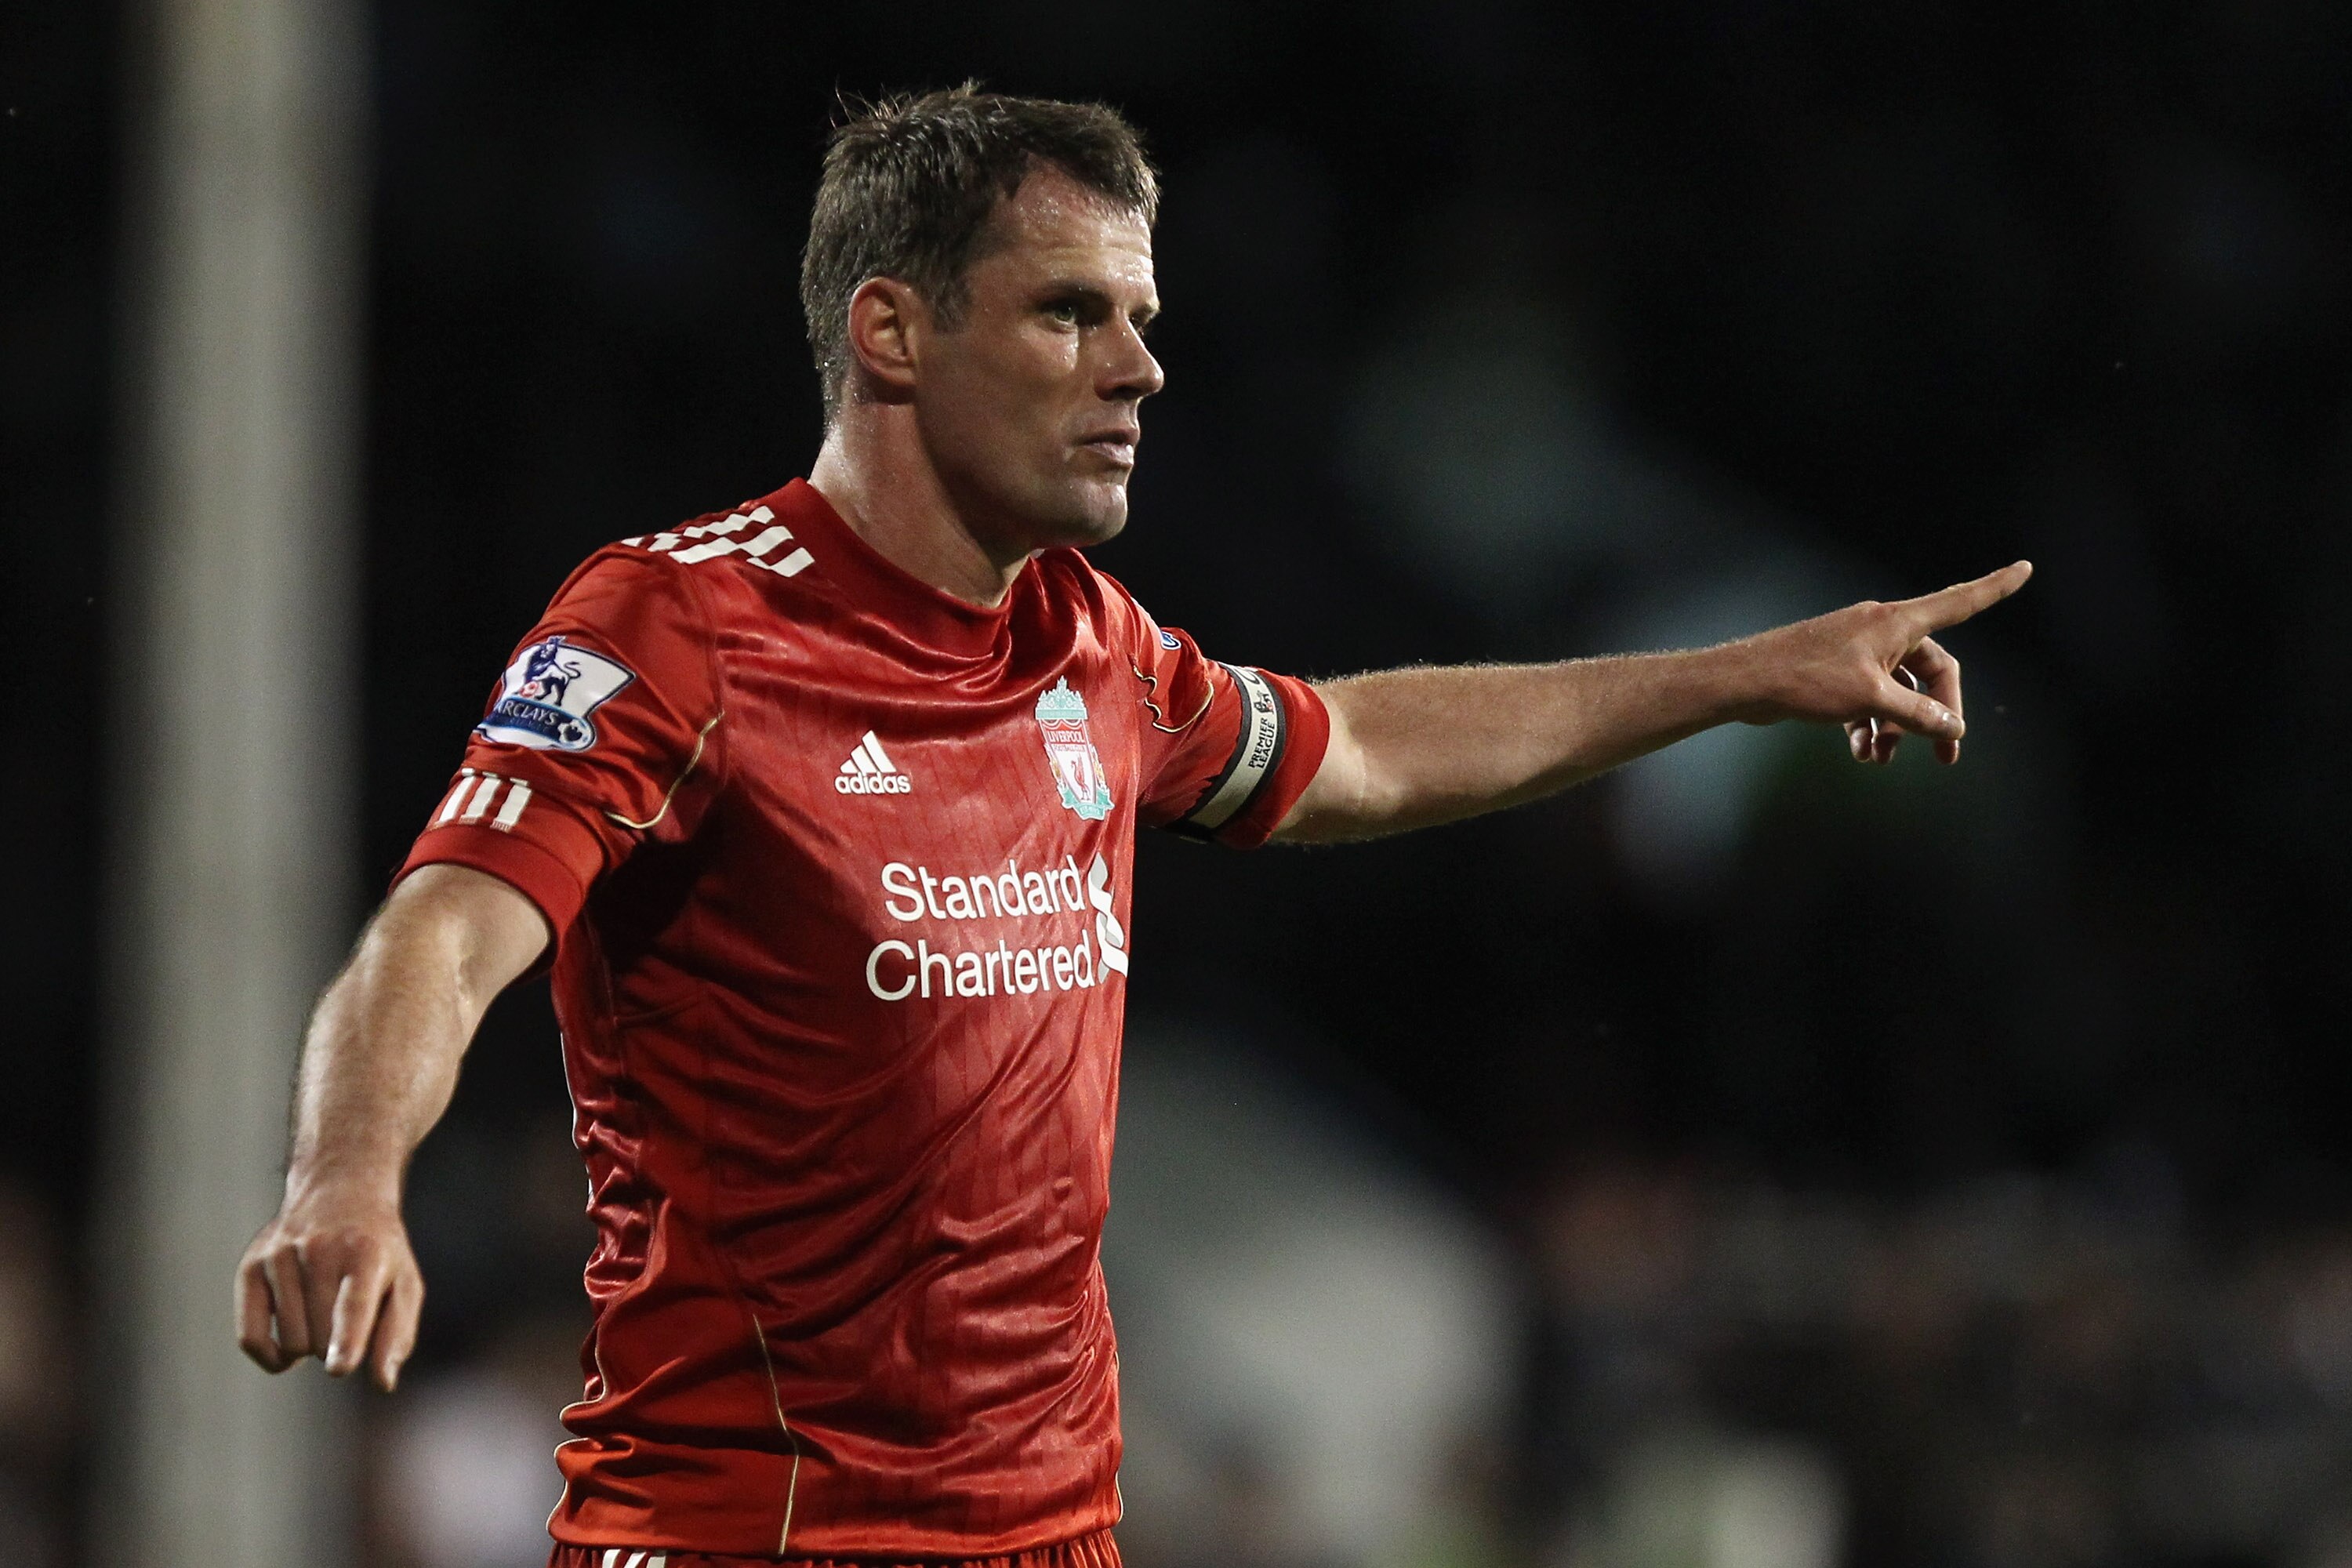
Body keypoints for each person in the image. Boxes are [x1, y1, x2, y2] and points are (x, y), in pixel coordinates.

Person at [234, 87, 2029, 1568]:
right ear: (893, 333)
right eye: (1070, 312)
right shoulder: (678, 626)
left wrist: (1741, 673)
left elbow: (1364, 751)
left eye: (1145, 321)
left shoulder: (1088, 647)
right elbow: (448, 926)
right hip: (750, 1535)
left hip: (1055, 1539)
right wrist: (345, 1178)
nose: (1137, 369)